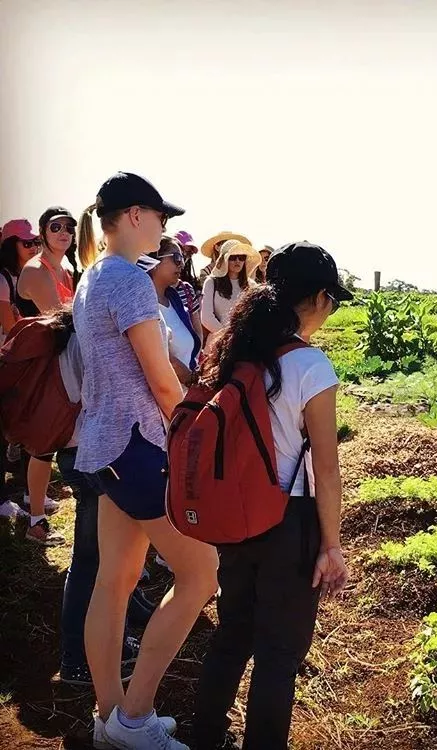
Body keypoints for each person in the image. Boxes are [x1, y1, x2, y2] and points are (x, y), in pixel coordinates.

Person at [74, 171, 218, 749]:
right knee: (201, 573)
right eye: (163, 217)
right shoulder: (130, 282)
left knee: (114, 580)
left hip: (105, 448)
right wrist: (198, 432)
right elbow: (162, 383)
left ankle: (110, 717)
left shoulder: (91, 277)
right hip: (140, 447)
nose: (166, 227)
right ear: (135, 215)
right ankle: (134, 718)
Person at [193, 241, 351, 750]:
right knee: (279, 655)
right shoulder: (310, 365)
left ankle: (206, 737)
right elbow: (325, 470)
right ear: (321, 297)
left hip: (236, 516)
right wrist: (332, 546)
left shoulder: (237, 350)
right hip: (290, 520)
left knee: (232, 634)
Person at [16, 207, 79, 543]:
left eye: (69, 227)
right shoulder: (37, 271)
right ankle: (35, 522)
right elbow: (63, 321)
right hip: (38, 369)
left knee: (48, 444)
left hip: (58, 365)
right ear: (43, 232)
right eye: (56, 227)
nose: (64, 232)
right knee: (42, 446)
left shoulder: (64, 269)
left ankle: (34, 503)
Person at [0, 219, 42, 520]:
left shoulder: (14, 278)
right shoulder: (3, 279)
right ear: (9, 245)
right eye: (26, 243)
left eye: (34, 243)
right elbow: (11, 328)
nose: (32, 247)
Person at [136, 237, 201, 389]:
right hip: (162, 402)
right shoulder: (141, 303)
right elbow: (160, 357)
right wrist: (191, 379)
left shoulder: (175, 301)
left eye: (183, 259)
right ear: (154, 262)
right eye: (177, 258)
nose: (182, 264)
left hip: (183, 398)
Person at [200, 239, 261, 349]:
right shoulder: (211, 282)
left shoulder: (252, 285)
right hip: (218, 345)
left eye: (241, 257)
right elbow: (206, 318)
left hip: (246, 345)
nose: (237, 261)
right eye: (232, 257)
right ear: (224, 259)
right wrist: (229, 336)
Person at [172, 231, 203, 342]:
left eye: (189, 253)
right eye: (182, 250)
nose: (185, 256)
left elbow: (197, 328)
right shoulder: (152, 286)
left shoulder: (189, 288)